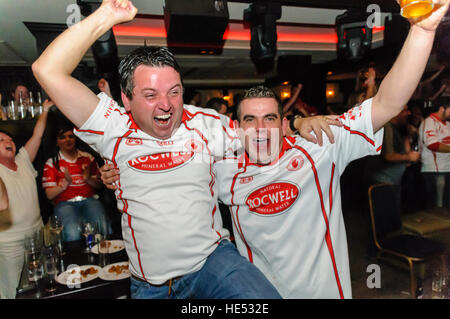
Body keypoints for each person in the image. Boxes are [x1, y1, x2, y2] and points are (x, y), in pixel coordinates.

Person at [99, 0, 450, 298]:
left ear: (285, 124)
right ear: (236, 129)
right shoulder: (222, 169)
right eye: (250, 121)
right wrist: (117, 174)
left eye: (270, 118)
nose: (261, 129)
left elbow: (387, 103)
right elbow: (167, 183)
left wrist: (422, 32)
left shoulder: (319, 146)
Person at [32, 0, 288, 299]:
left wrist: (298, 123)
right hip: (152, 285)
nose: (166, 105)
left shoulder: (206, 124)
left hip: (213, 263)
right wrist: (106, 15)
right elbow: (46, 69)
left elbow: (262, 137)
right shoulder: (111, 126)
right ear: (127, 100)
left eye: (174, 92)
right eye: (150, 95)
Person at [0, 99, 52, 299]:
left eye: (10, 139)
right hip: (9, 242)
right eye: (1, 141)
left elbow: (37, 135)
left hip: (36, 235)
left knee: (39, 284)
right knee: (10, 289)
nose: (8, 142)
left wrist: (45, 110)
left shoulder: (23, 160)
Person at [42, 122, 108, 242]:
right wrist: (64, 185)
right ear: (57, 142)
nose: (68, 140)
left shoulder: (88, 157)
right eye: (62, 137)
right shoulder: (52, 163)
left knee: (102, 228)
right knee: (72, 232)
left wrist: (87, 178)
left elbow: (99, 186)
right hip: (65, 203)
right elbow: (49, 195)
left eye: (71, 136)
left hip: (89, 199)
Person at [419, 98, 450, 208]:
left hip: (446, 169)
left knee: (445, 206)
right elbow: (432, 144)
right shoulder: (429, 122)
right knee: (437, 207)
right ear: (442, 109)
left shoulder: (447, 124)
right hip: (434, 170)